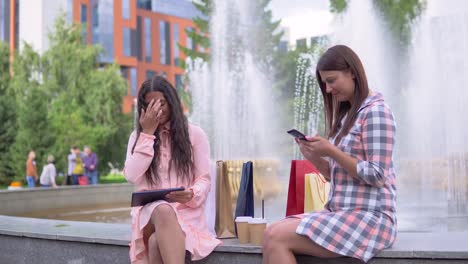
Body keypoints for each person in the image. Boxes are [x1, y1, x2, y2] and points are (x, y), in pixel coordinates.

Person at [262, 45, 397, 263]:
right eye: (324, 83)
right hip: (342, 214)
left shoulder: (376, 112)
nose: (327, 89)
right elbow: (336, 176)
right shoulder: (347, 116)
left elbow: (377, 175)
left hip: (372, 219)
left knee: (277, 237)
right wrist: (314, 156)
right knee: (270, 231)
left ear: (352, 72)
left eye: (332, 80)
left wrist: (332, 151)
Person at [124, 76, 221, 263]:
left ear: (172, 102)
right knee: (163, 210)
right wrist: (147, 135)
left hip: (186, 214)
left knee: (155, 243)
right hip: (150, 215)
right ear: (143, 108)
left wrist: (192, 193)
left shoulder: (195, 134)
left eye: (162, 103)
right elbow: (132, 176)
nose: (158, 110)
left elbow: (204, 179)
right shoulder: (137, 137)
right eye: (150, 105)